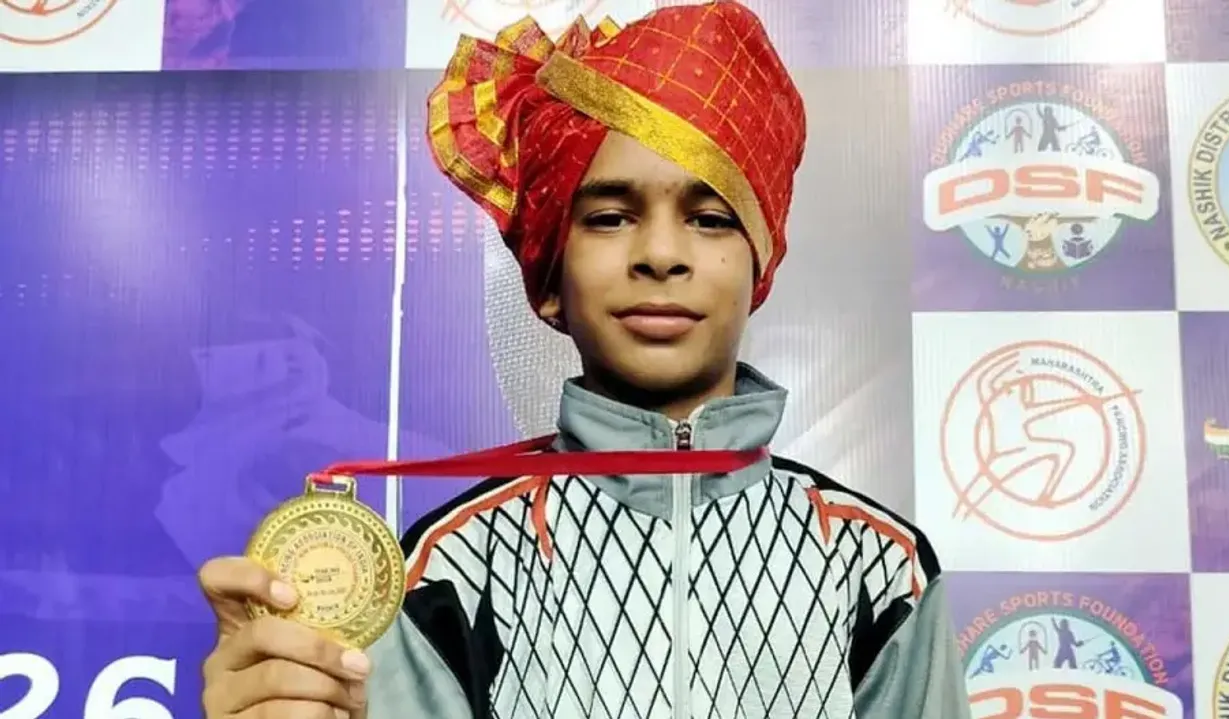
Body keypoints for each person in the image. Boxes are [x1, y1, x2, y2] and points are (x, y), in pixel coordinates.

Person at [196, 3, 971, 717]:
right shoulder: (447, 571)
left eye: (708, 218)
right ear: (549, 281)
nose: (661, 253)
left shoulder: (878, 567)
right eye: (609, 215)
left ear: (759, 267)